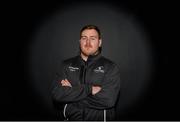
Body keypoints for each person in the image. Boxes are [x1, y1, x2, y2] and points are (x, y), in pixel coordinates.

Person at [51, 25, 121, 121]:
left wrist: (72, 92)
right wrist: (89, 89)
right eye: (84, 38)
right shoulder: (66, 65)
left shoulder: (110, 67)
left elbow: (108, 100)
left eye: (92, 38)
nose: (88, 42)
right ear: (80, 42)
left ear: (99, 42)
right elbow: (57, 94)